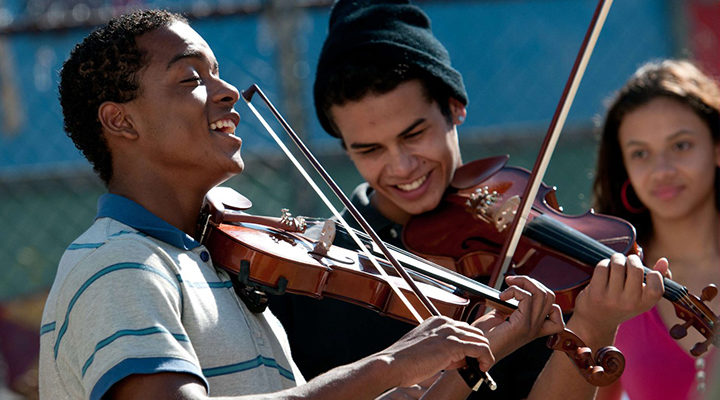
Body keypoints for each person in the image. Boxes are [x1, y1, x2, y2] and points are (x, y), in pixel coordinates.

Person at [38, 8, 568, 400]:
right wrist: (390, 363)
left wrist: (480, 346)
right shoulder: (117, 266)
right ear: (120, 121)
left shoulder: (217, 262)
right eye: (192, 79)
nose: (226, 92)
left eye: (218, 71)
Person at [269, 0, 669, 399]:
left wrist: (594, 323)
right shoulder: (322, 275)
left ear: (455, 109)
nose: (402, 167)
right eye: (370, 150)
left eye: (414, 135)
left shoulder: (521, 249)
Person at [592, 59, 720, 400]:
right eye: (640, 154)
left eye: (681, 146)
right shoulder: (612, 282)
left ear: (717, 147)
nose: (661, 170)